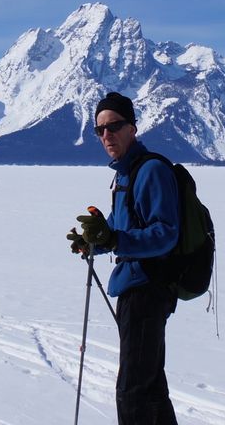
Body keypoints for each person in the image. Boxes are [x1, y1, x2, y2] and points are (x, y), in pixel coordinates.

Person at [67, 91, 181, 424]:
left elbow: (166, 233)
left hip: (148, 289)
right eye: (99, 130)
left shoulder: (151, 171)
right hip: (134, 289)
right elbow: (120, 228)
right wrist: (95, 242)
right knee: (151, 387)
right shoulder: (124, 174)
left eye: (114, 126)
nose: (106, 135)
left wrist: (115, 238)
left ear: (132, 127)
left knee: (132, 391)